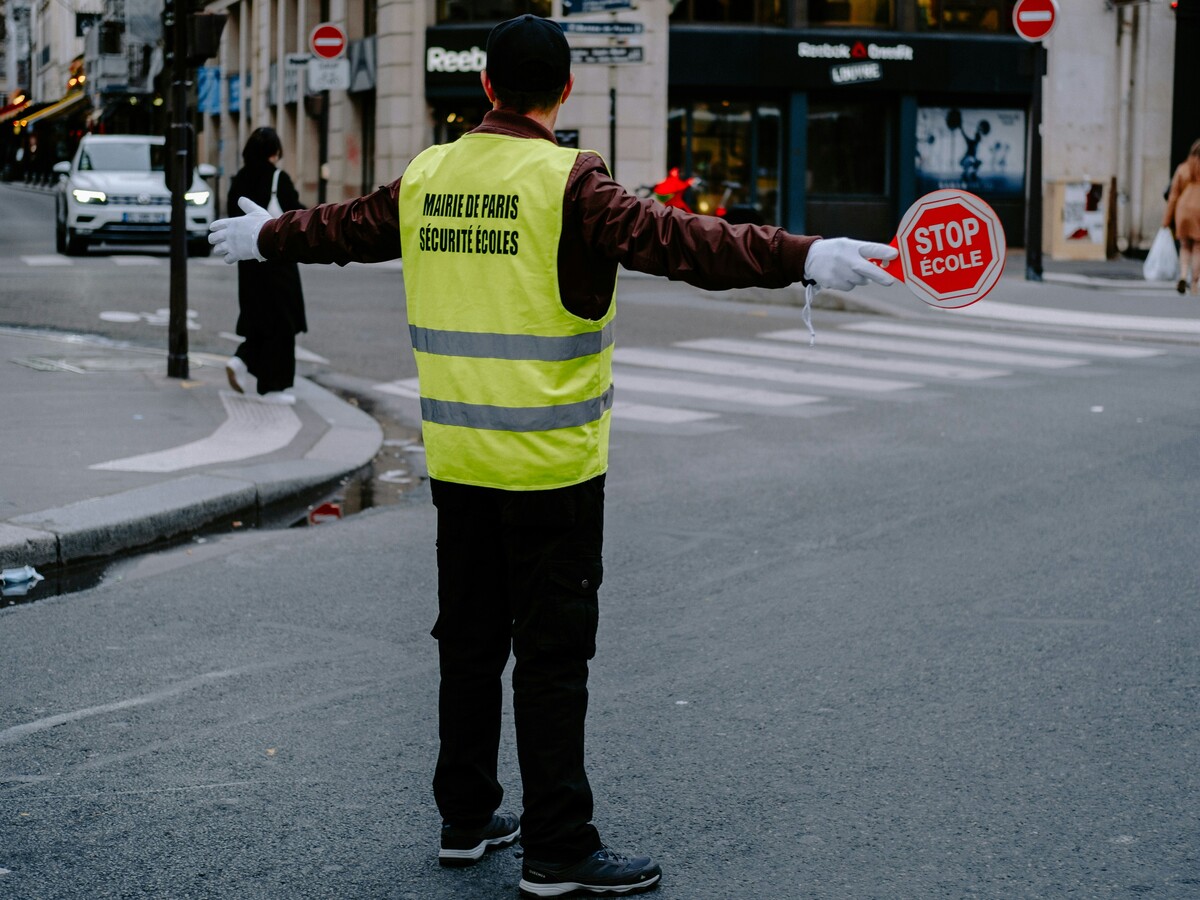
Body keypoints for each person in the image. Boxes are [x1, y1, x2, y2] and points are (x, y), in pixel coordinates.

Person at [210, 15, 896, 897]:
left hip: (458, 466)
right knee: (551, 659)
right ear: (563, 92)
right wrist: (807, 256)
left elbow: (344, 228)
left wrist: (270, 234)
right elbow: (687, 242)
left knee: (467, 643)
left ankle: (465, 817)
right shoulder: (571, 183)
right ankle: (558, 848)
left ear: (486, 87)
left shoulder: (428, 174)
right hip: (552, 472)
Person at [224, 126, 307, 403]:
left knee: (259, 317)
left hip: (246, 262)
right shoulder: (277, 178)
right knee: (282, 323)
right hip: (276, 261)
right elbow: (296, 214)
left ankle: (242, 361)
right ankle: (274, 387)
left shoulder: (239, 180)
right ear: (275, 152)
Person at [1163, 138, 1200, 295]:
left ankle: (1183, 274)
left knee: (1185, 246)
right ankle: (1194, 283)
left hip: (1183, 209)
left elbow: (1173, 196)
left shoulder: (1183, 168)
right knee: (1198, 247)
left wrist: (1166, 220)